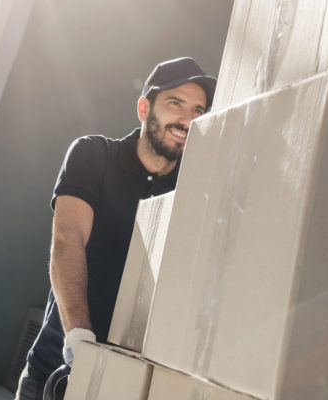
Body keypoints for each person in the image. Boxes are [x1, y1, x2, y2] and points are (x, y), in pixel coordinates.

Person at [15, 57, 216, 400]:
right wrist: (78, 335)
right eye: (175, 103)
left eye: (198, 111)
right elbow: (67, 240)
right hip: (60, 366)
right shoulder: (94, 155)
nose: (187, 120)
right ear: (143, 108)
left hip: (128, 380)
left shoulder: (195, 189)